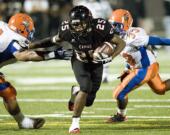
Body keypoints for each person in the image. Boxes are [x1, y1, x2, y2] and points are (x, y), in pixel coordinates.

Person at [29, 5, 125, 134]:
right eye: (75, 24)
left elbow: (121, 43)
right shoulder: (67, 30)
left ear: (89, 21)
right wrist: (32, 45)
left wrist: (110, 58)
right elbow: (52, 40)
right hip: (79, 61)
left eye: (81, 24)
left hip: (97, 63)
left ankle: (76, 91)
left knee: (89, 101)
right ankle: (74, 124)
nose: (78, 27)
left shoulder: (100, 27)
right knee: (85, 87)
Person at [106, 9, 170, 123]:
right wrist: (127, 68)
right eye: (112, 25)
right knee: (160, 88)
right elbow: (131, 54)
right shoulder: (118, 37)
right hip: (148, 66)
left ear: (126, 23)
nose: (113, 28)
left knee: (118, 93)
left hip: (145, 68)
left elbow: (159, 40)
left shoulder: (134, 36)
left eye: (117, 25)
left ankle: (121, 116)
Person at [0, 13, 72, 129]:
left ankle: (23, 122)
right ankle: (24, 123)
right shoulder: (13, 39)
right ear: (24, 28)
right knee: (8, 92)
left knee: (8, 92)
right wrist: (54, 54)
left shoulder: (3, 26)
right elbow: (25, 56)